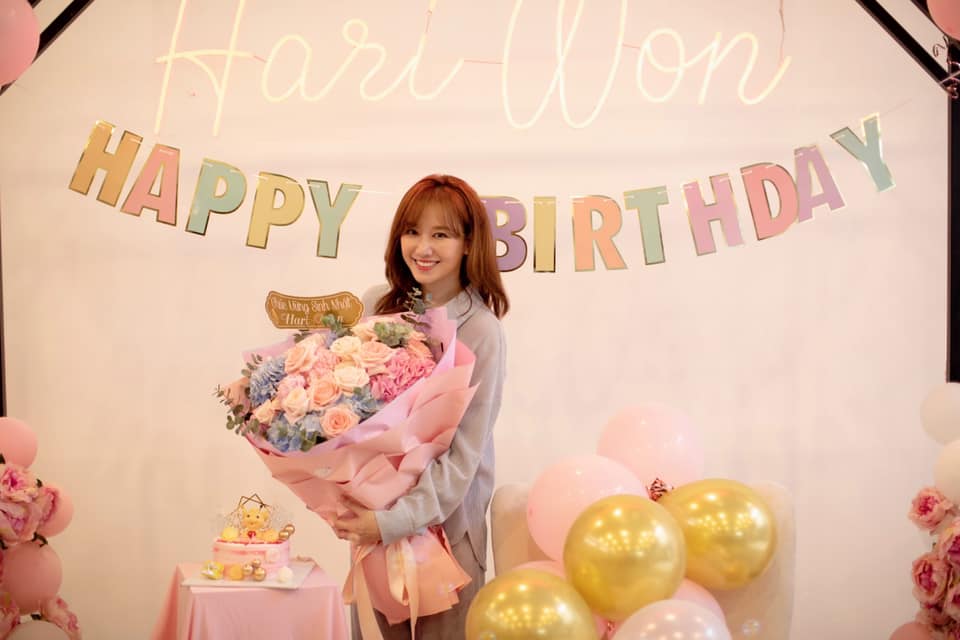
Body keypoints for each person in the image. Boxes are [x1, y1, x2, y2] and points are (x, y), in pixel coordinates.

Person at [332, 174, 509, 639]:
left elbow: (463, 457)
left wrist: (392, 521)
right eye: (412, 231)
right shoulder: (377, 304)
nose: (423, 248)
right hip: (375, 526)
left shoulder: (482, 331)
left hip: (448, 534)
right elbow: (356, 418)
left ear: (468, 244)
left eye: (441, 234)